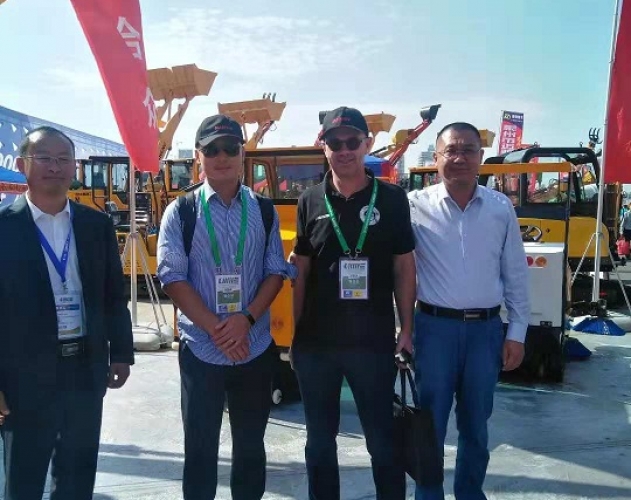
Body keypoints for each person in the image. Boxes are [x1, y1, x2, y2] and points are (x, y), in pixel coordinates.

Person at [157, 114, 296, 500]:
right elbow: (172, 277)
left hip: (253, 348)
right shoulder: (181, 212)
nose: (222, 157)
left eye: (230, 148)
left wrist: (245, 319)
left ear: (242, 154)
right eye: (212, 149)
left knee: (250, 449)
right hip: (202, 351)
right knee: (200, 449)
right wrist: (218, 329)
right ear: (198, 156)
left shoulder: (264, 210)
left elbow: (275, 271)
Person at [0, 126, 134, 500]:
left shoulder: (95, 225)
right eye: (44, 158)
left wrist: (121, 353)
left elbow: (113, 294)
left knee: (77, 477)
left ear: (74, 167)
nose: (54, 167)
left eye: (63, 159)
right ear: (23, 165)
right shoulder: (4, 228)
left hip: (84, 369)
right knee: (24, 479)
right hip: (24, 376)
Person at [291, 106, 416, 500]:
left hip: (372, 344)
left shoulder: (392, 199)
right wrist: (295, 336)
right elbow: (301, 272)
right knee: (319, 443)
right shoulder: (310, 200)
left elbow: (403, 267)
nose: (344, 150)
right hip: (317, 346)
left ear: (367, 144)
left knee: (382, 442)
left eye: (352, 141)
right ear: (323, 146)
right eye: (335, 142)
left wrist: (406, 329)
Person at [407, 122, 530, 500]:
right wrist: (402, 329)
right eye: (451, 150)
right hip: (434, 330)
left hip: (484, 333)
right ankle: (429, 495)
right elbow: (397, 269)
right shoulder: (414, 206)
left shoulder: (500, 208)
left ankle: (469, 493)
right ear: (436, 157)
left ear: (480, 157)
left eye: (468, 150)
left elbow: (515, 273)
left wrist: (517, 333)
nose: (459, 158)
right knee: (429, 426)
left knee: (476, 426)